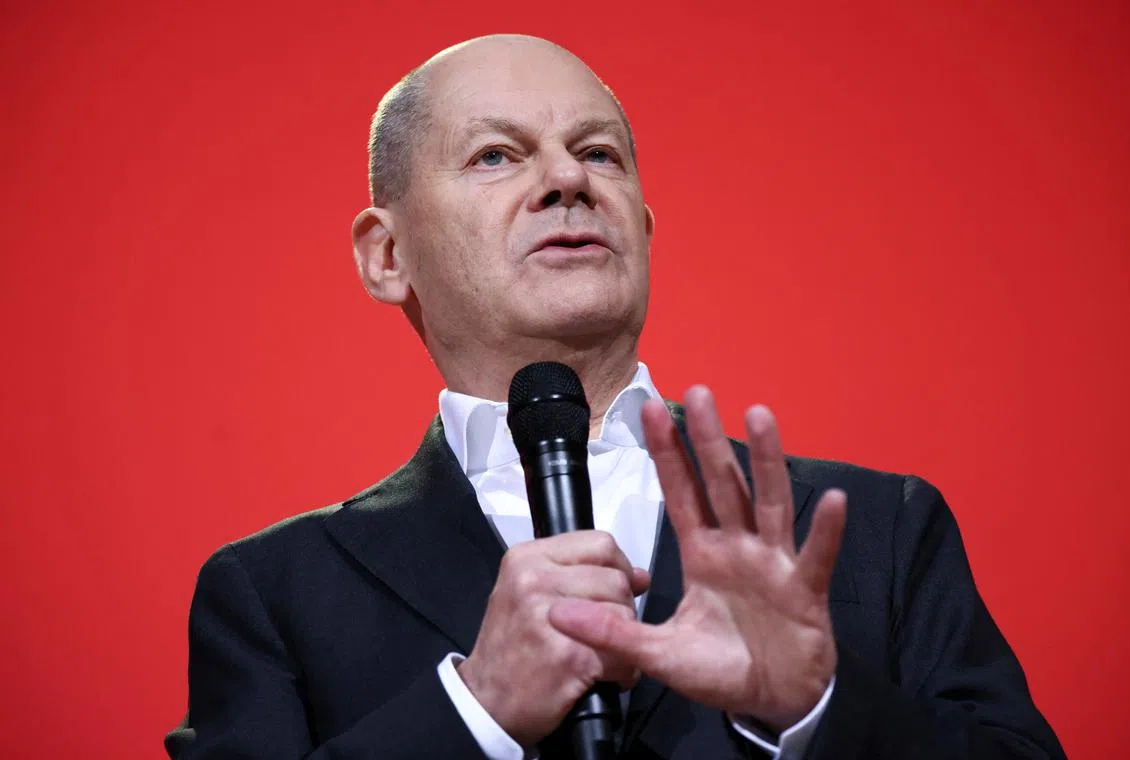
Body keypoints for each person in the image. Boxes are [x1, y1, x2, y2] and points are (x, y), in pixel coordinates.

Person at [165, 34, 1065, 759]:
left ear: (640, 227)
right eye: (494, 155)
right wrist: (474, 714)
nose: (568, 180)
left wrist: (820, 711)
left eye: (598, 152)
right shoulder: (273, 595)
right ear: (387, 255)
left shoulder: (879, 528)